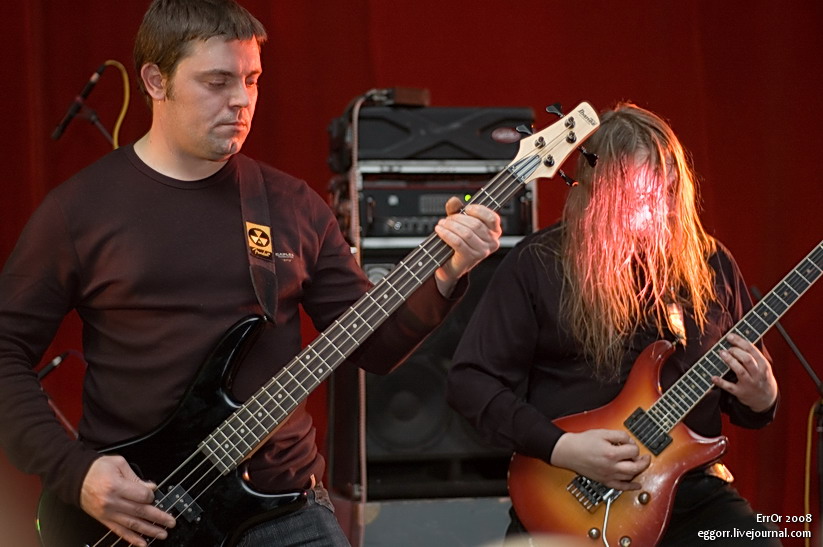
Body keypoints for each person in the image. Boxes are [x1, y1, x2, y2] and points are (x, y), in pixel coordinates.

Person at [0, 1, 501, 546]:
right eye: (217, 81)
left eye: (251, 80)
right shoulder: (80, 210)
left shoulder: (290, 205)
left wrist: (448, 273)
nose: (241, 99)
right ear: (155, 81)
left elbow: (374, 346)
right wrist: (75, 473)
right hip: (142, 513)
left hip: (284, 509)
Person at [447, 103, 780, 546]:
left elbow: (746, 405)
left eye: (666, 189)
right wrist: (562, 447)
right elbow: (471, 382)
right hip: (569, 494)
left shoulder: (710, 264)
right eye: (638, 193)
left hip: (692, 494)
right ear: (596, 190)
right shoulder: (539, 263)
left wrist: (762, 396)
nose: (657, 205)